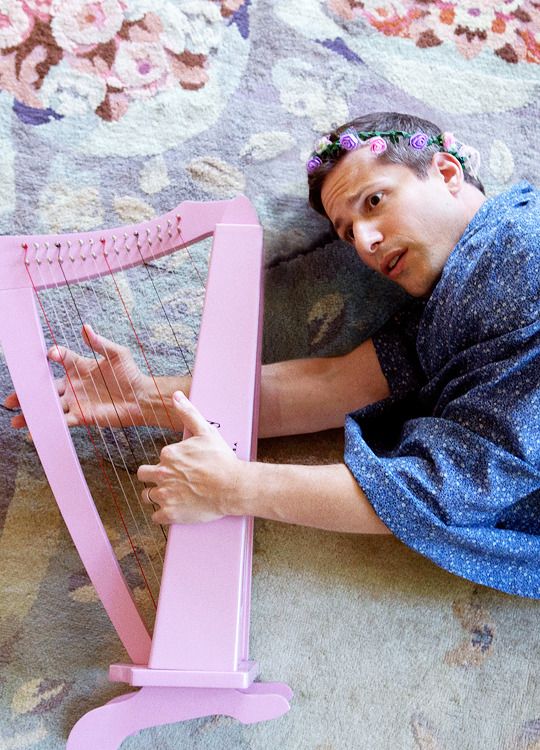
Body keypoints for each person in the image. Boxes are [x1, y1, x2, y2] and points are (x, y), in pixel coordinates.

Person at [5, 112, 540, 598]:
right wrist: (145, 396)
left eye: (374, 201)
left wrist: (237, 487)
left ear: (447, 172)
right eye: (347, 231)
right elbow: (335, 385)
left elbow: (450, 487)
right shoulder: (453, 300)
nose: (365, 242)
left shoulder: (520, 250)